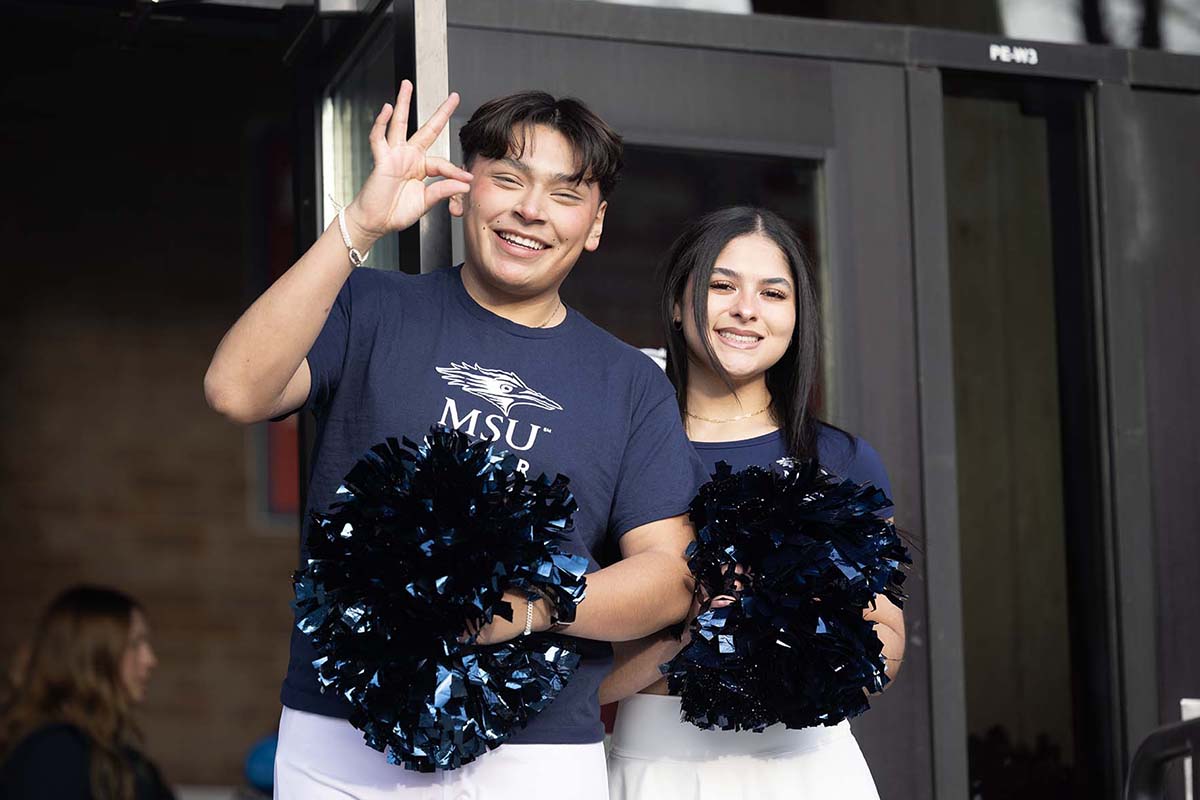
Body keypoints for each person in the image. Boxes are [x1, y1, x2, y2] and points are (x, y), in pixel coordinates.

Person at [203, 81, 706, 799]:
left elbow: (669, 577)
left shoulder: (627, 382)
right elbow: (235, 390)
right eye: (509, 178)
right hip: (340, 728)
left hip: (536, 751)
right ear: (465, 191)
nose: (531, 210)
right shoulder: (371, 306)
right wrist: (362, 228)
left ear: (595, 224)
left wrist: (523, 611)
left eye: (566, 195)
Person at [601, 206, 905, 800]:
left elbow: (885, 631)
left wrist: (816, 668)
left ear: (797, 318)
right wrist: (690, 636)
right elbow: (578, 674)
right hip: (659, 768)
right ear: (675, 302)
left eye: (773, 292)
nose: (747, 309)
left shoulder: (842, 460)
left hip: (812, 766)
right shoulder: (616, 457)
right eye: (721, 285)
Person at [0, 586, 173, 800]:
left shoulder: (121, 757)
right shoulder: (54, 754)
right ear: (92, 656)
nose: (150, 660)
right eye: (135, 644)